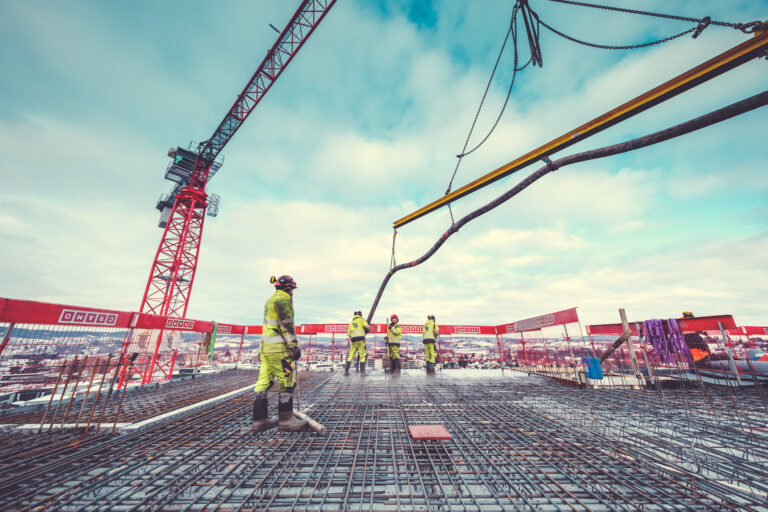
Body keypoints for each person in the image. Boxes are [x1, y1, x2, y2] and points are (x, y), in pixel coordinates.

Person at [251, 275, 307, 433]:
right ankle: (286, 420)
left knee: (263, 383)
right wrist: (294, 346)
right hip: (280, 350)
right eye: (292, 290)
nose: (293, 294)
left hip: (266, 350)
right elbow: (286, 326)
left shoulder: (269, 301)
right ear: (289, 289)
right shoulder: (283, 301)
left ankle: (259, 421)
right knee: (287, 382)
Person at [345, 311, 370, 375]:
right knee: (362, 355)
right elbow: (367, 327)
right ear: (360, 315)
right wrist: (365, 331)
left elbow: (348, 334)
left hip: (353, 340)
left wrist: (353, 336)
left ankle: (346, 371)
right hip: (361, 339)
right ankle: (363, 372)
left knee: (351, 355)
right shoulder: (361, 320)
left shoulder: (351, 323)